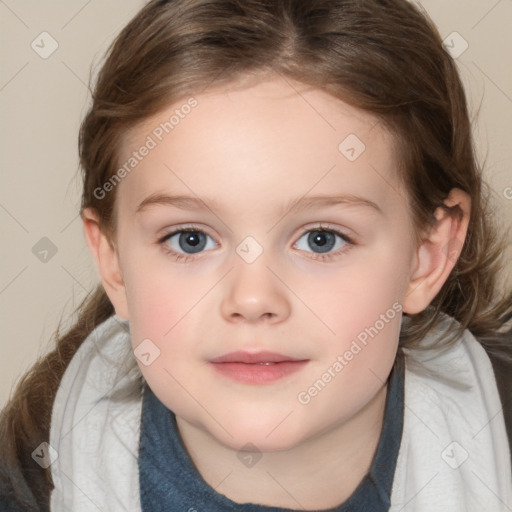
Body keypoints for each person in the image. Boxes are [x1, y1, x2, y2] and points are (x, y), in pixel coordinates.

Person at [1, 0, 511, 510]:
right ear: (112, 260)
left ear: (427, 253)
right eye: (190, 239)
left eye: (321, 239)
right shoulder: (30, 478)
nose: (252, 299)